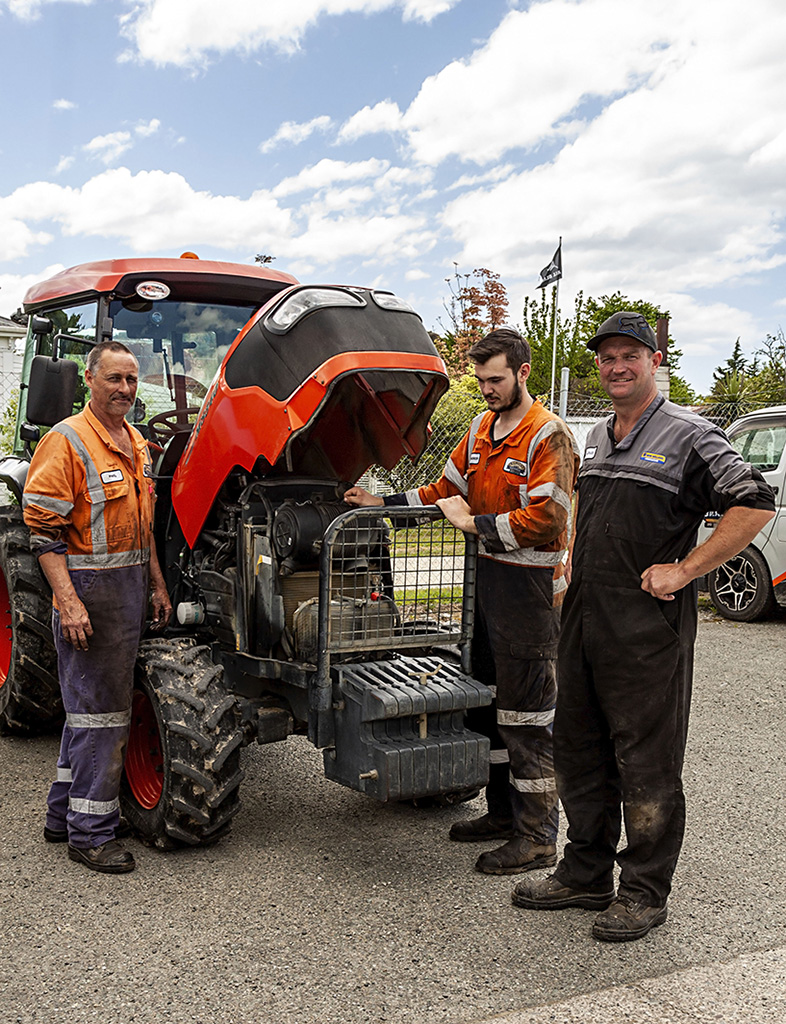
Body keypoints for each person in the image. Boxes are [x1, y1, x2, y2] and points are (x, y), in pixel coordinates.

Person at [512, 311, 776, 940]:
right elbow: (587, 513)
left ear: (655, 361)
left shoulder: (692, 433)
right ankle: (584, 873)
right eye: (607, 357)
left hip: (646, 628)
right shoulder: (599, 435)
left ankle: (644, 891)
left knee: (646, 760)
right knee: (579, 747)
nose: (617, 366)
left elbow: (753, 502)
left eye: (631, 354)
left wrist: (687, 570)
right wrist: (568, 569)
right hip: (582, 617)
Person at [345, 328, 580, 874]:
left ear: (523, 373)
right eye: (480, 380)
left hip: (530, 597)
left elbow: (550, 518)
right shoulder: (479, 429)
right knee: (489, 706)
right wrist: (382, 501)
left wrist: (475, 523)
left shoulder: (550, 437)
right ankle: (502, 815)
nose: (487, 389)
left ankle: (539, 834)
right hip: (487, 588)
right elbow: (441, 491)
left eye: (495, 379)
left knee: (527, 717)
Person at [23, 340, 171, 874]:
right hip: (89, 589)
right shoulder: (67, 441)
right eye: (115, 379)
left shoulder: (136, 443)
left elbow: (145, 528)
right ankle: (90, 834)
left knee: (90, 709)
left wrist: (156, 583)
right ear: (90, 380)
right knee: (102, 713)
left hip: (129, 587)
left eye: (132, 380)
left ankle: (64, 815)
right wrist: (68, 602)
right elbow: (42, 532)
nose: (125, 390)